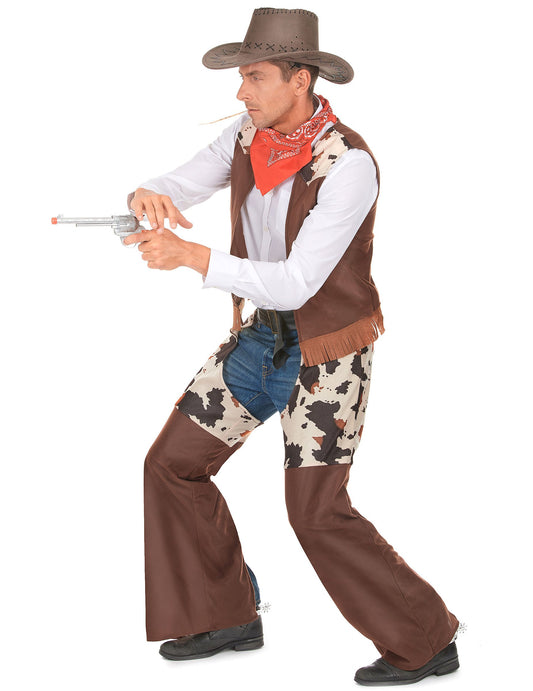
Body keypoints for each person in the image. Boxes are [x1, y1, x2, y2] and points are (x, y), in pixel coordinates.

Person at [124, 7, 461, 686]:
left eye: (254, 76)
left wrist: (192, 256)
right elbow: (185, 179)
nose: (240, 90)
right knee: (172, 466)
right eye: (241, 76)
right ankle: (225, 614)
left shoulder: (350, 164)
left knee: (315, 512)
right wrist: (150, 193)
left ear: (299, 79)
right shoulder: (246, 133)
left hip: (328, 355)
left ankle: (427, 637)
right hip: (263, 340)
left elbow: (296, 281)